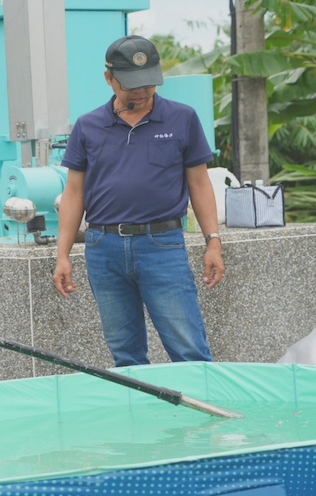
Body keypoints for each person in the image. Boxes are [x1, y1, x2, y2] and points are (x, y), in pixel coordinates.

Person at [53, 35, 224, 367]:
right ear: (109, 79)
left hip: (162, 246)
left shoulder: (182, 118)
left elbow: (200, 184)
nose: (142, 91)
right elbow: (74, 192)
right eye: (131, 84)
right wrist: (62, 255)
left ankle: (209, 417)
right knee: (125, 355)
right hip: (103, 250)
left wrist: (213, 241)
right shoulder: (88, 126)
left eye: (148, 82)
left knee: (189, 350)